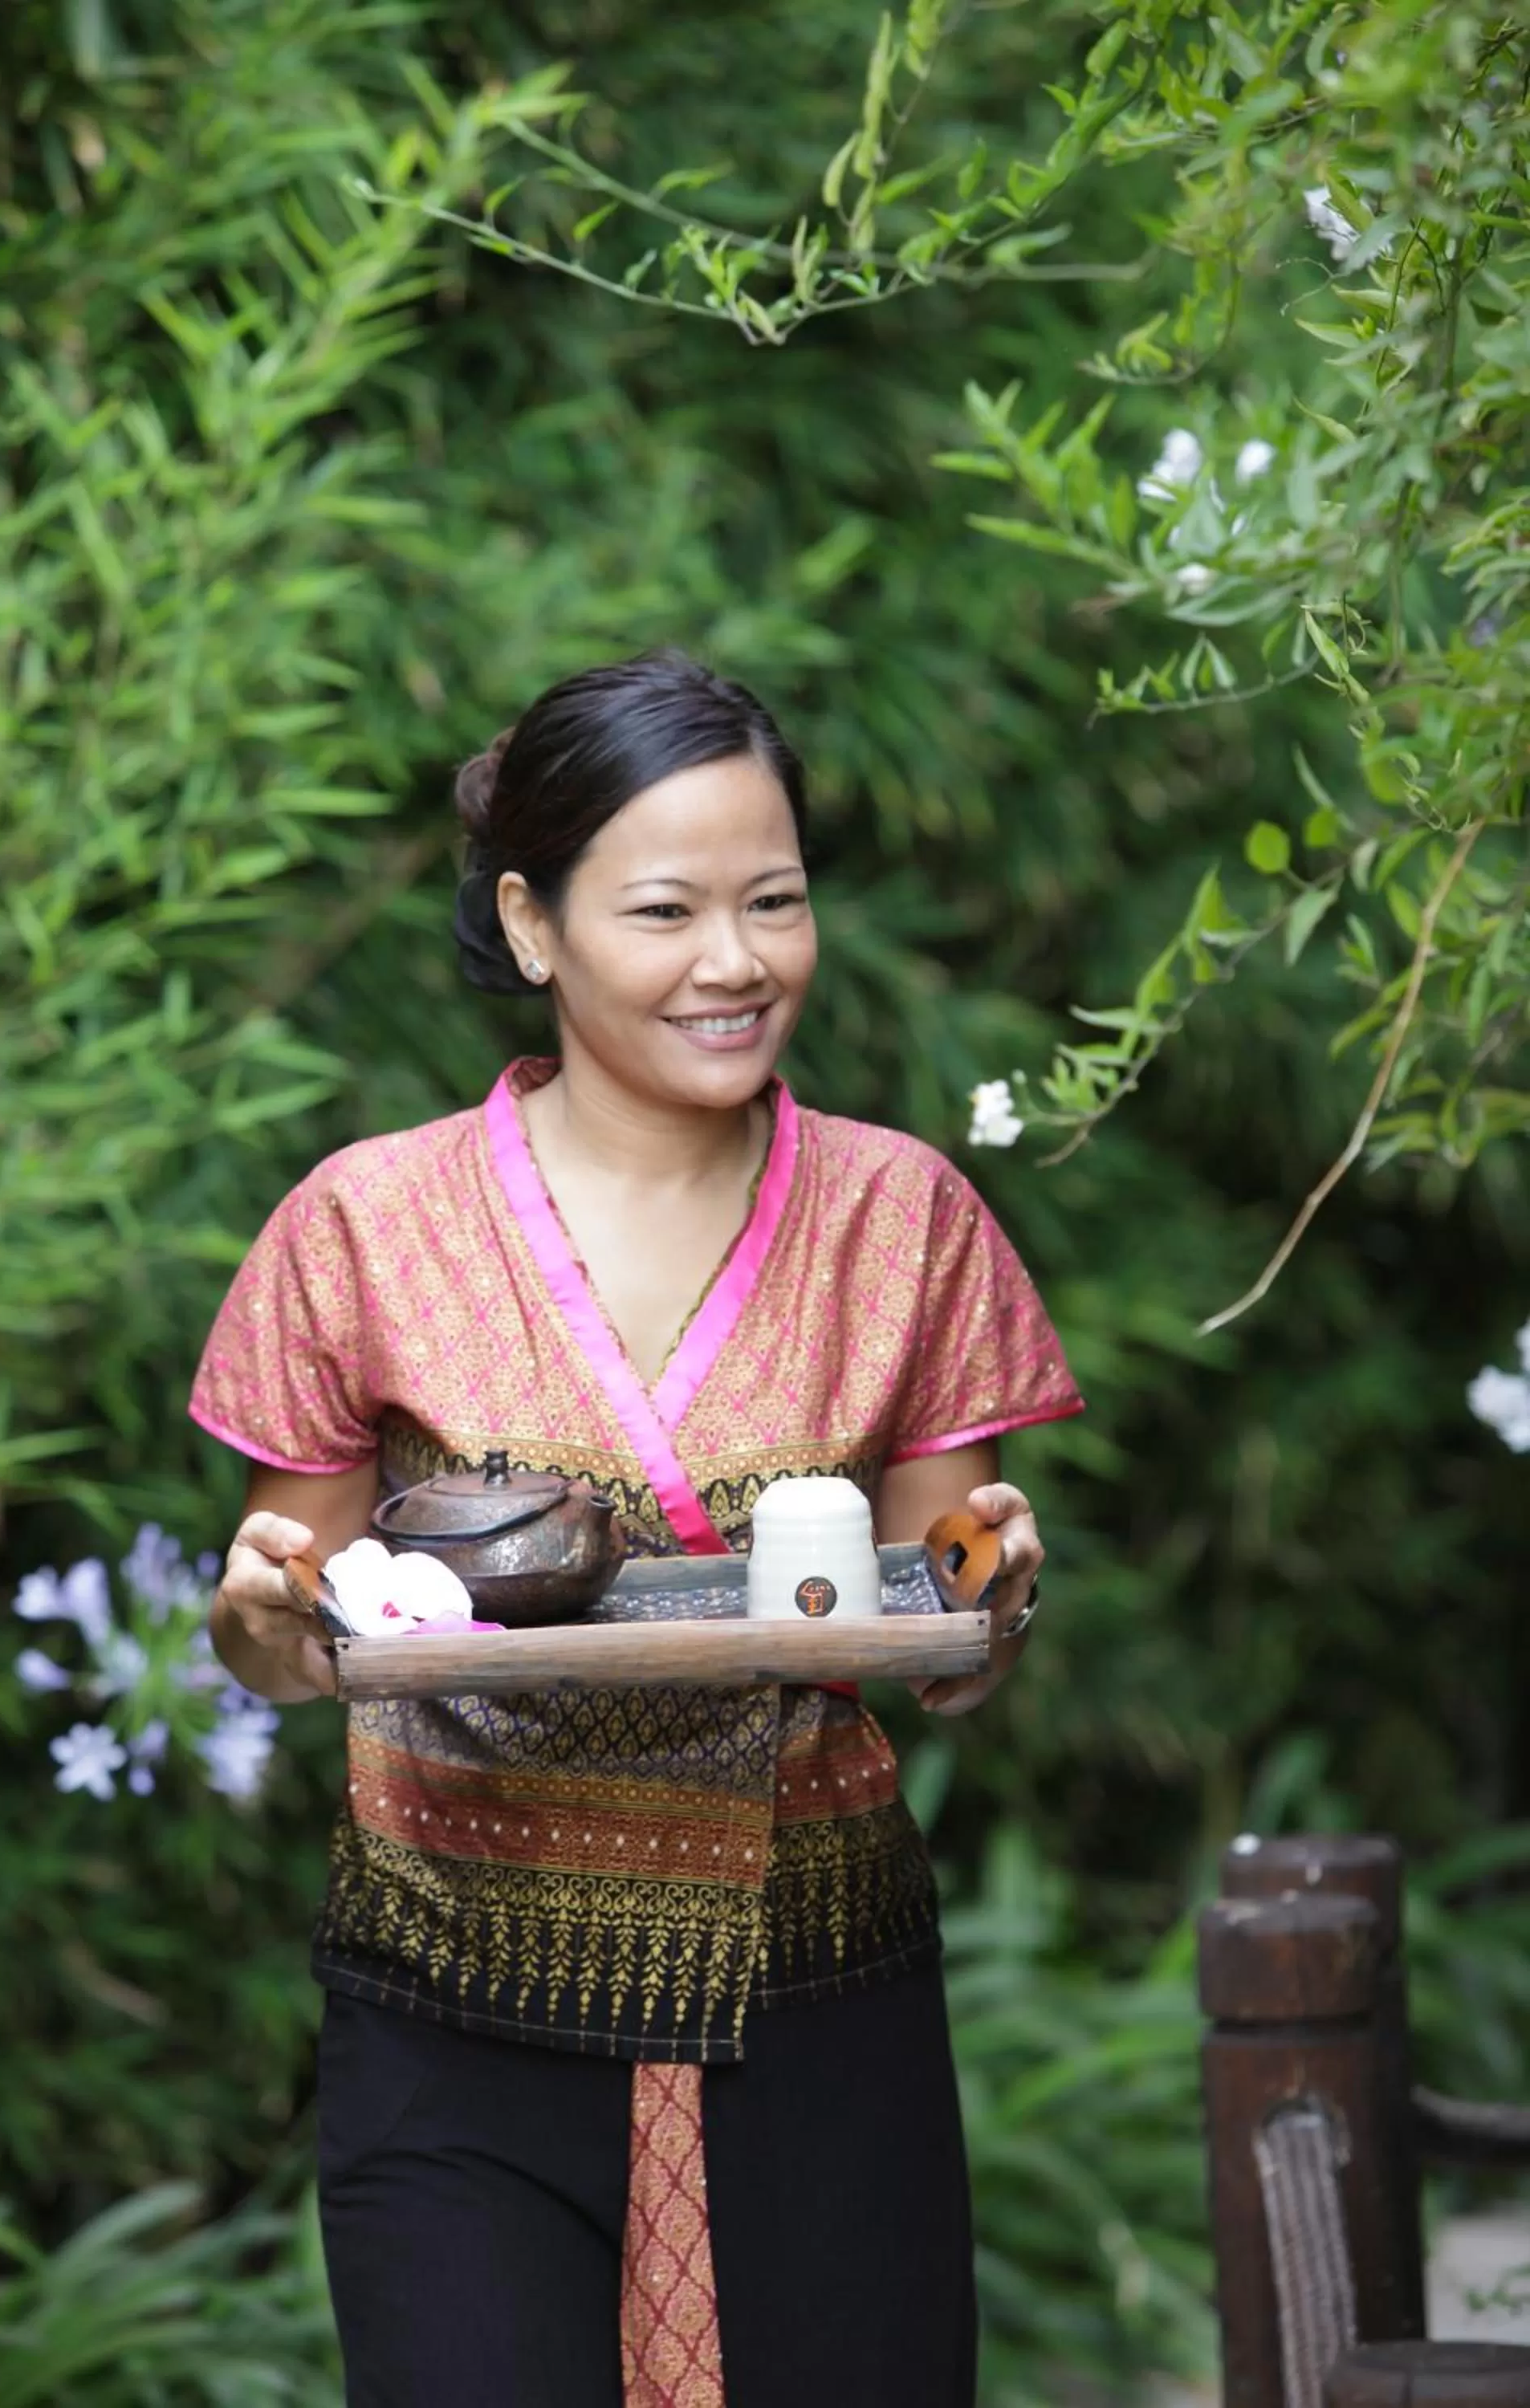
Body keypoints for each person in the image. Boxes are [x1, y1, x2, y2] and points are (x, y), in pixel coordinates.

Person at [191, 649, 1082, 2408]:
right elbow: (286, 1627)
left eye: (775, 901)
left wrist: (994, 1609)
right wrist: (264, 1625)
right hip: (460, 2003)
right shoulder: (364, 1225)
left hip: (818, 2004)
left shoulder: (898, 1216)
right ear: (531, 924)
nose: (735, 961)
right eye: (665, 908)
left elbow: (938, 1628)